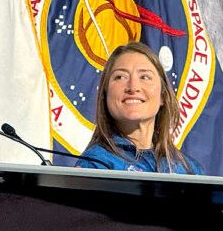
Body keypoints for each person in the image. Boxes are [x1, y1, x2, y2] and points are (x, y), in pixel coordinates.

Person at [76, 42, 202, 174]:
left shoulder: (189, 170)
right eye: (120, 77)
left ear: (163, 96)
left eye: (145, 77)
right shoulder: (94, 165)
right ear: (105, 94)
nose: (133, 87)